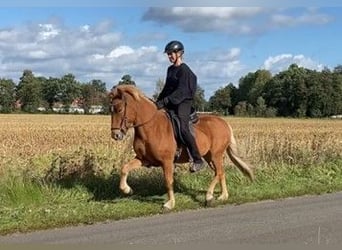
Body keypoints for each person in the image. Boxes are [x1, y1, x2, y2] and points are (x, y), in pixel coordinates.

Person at [155, 40, 204, 173]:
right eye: (168, 54)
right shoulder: (170, 70)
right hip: (171, 101)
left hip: (183, 101)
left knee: (182, 128)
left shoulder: (185, 70)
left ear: (179, 53)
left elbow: (181, 91)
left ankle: (197, 159)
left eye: (171, 53)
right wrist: (157, 102)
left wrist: (166, 101)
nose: (169, 56)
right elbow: (167, 88)